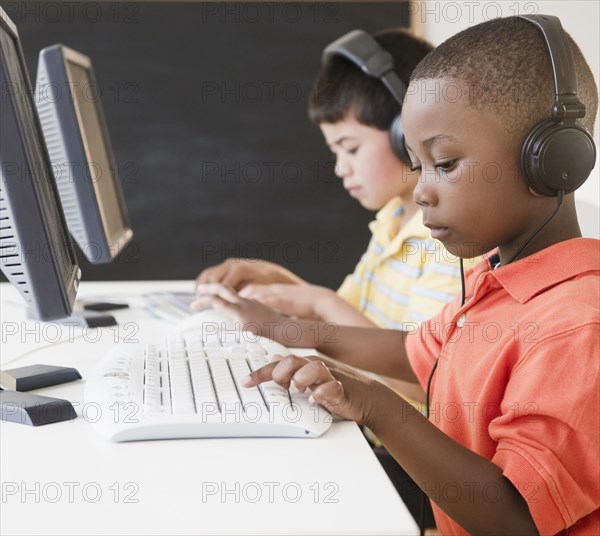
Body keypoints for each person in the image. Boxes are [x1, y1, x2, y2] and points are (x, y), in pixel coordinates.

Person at [195, 15, 600, 534]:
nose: (422, 190)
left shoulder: (575, 324)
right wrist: (293, 332)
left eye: (445, 164)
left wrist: (374, 404)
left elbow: (517, 518)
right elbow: (413, 354)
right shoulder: (495, 280)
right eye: (417, 164)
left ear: (549, 161)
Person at [197, 28, 476, 404]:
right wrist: (278, 281)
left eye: (351, 148)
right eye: (335, 152)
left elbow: (426, 379)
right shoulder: (393, 218)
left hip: (394, 443)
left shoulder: (450, 243)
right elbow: (345, 324)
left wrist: (319, 301)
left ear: (407, 132)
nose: (340, 168)